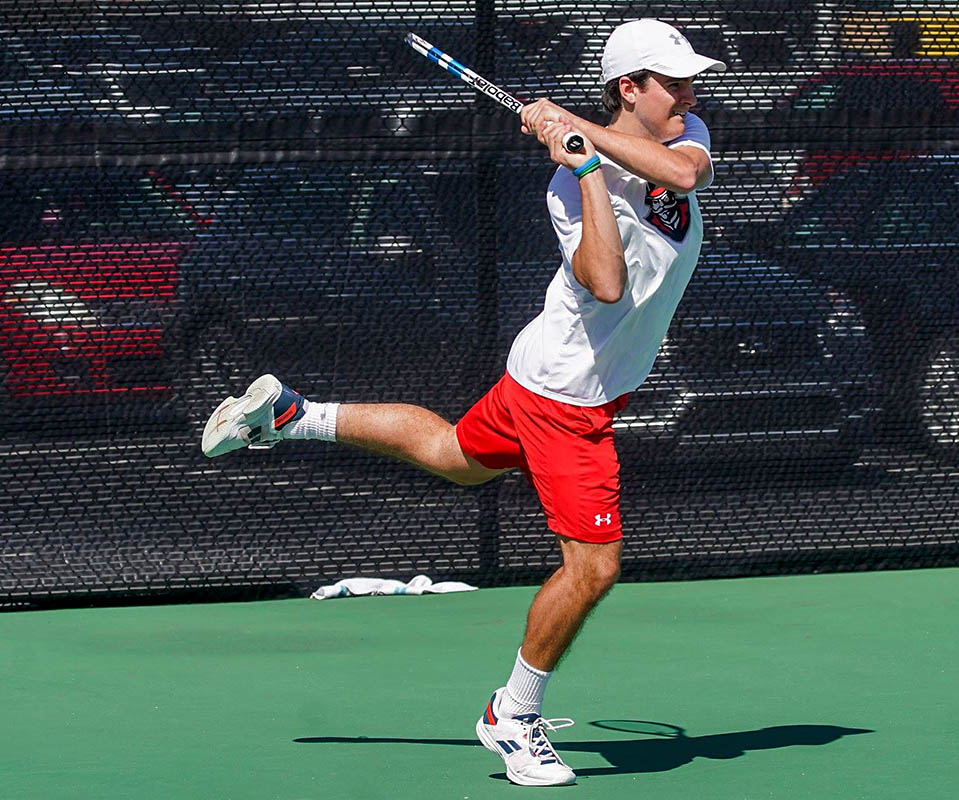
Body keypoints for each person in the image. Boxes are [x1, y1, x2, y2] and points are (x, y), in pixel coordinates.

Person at [201, 18, 725, 787]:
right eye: (672, 80)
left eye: (689, 79)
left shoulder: (685, 132)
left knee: (454, 456)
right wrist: (582, 169)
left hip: (547, 372)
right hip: (564, 399)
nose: (689, 92)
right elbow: (608, 283)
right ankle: (511, 715)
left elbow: (682, 179)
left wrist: (578, 132)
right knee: (593, 567)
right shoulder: (566, 190)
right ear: (629, 89)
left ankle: (290, 415)